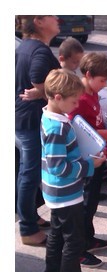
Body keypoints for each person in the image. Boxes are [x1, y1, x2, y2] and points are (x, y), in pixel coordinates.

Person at [41, 69, 106, 272]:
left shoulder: (50, 117)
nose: (77, 104)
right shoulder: (59, 128)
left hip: (56, 193)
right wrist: (90, 166)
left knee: (57, 236)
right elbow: (60, 167)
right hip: (66, 194)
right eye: (74, 101)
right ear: (58, 97)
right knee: (74, 241)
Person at [15, 15, 61, 246]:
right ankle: (28, 229)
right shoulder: (40, 51)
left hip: (23, 118)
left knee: (28, 171)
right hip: (30, 119)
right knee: (30, 173)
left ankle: (31, 217)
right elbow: (37, 80)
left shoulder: (26, 46)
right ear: (39, 21)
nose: (58, 19)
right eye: (53, 16)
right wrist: (42, 91)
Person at [68, 52, 107, 267]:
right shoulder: (79, 99)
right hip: (85, 159)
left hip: (96, 156)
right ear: (88, 75)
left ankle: (89, 237)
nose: (104, 85)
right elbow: (81, 130)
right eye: (102, 80)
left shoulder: (93, 94)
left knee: (93, 200)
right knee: (85, 204)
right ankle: (79, 247)